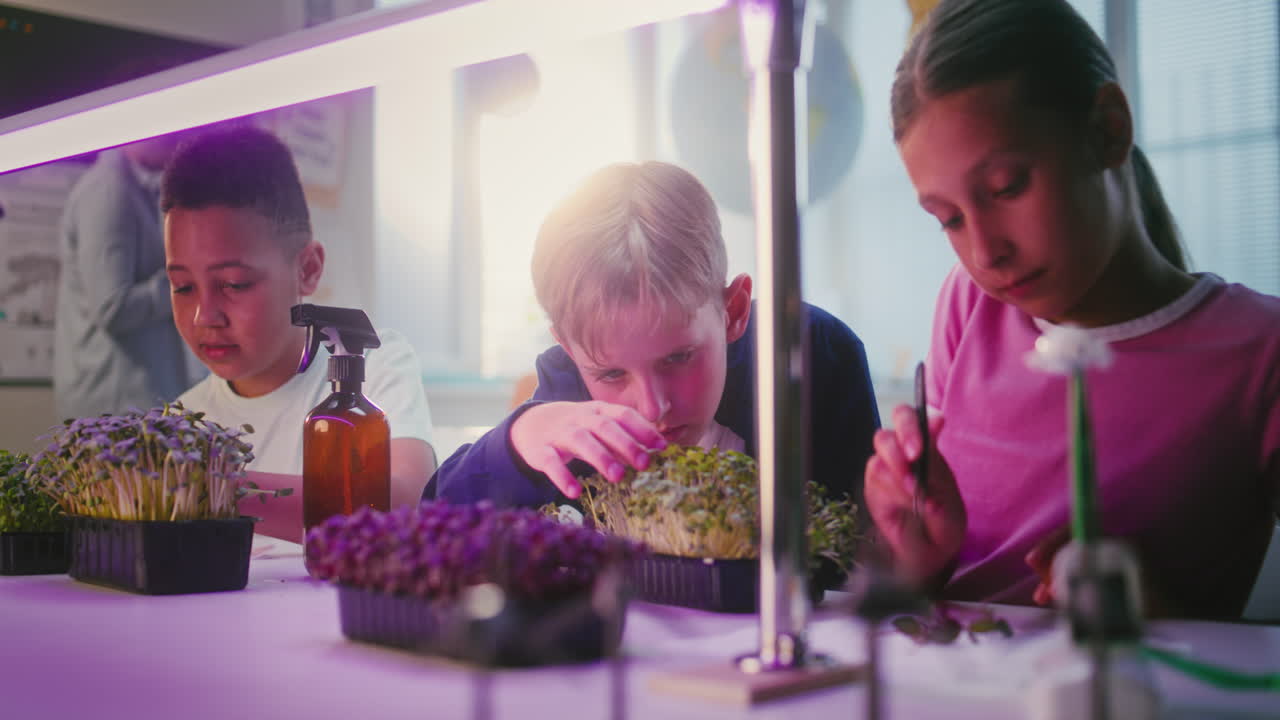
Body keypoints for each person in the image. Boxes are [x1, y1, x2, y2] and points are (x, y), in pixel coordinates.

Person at [866, 0, 1280, 619]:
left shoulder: (1259, 356)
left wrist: (1157, 613)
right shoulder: (969, 305)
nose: (985, 252)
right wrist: (920, 553)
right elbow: (929, 607)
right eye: (948, 219)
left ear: (1108, 130)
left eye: (1007, 187)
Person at [426, 161, 880, 512]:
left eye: (679, 357)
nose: (652, 407)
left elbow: (871, 546)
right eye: (609, 373)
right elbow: (433, 516)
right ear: (569, 349)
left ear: (733, 310)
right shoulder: (565, 390)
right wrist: (519, 438)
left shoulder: (815, 354)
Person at [161, 124, 436, 541]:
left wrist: (216, 486)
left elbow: (405, 501)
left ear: (306, 270)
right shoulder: (182, 422)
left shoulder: (372, 365)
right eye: (182, 287)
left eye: (234, 284)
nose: (204, 316)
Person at [53, 133, 204, 418]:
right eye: (172, 137)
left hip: (132, 400)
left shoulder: (134, 188)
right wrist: (186, 280)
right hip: (115, 402)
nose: (178, 146)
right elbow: (113, 307)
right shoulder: (109, 193)